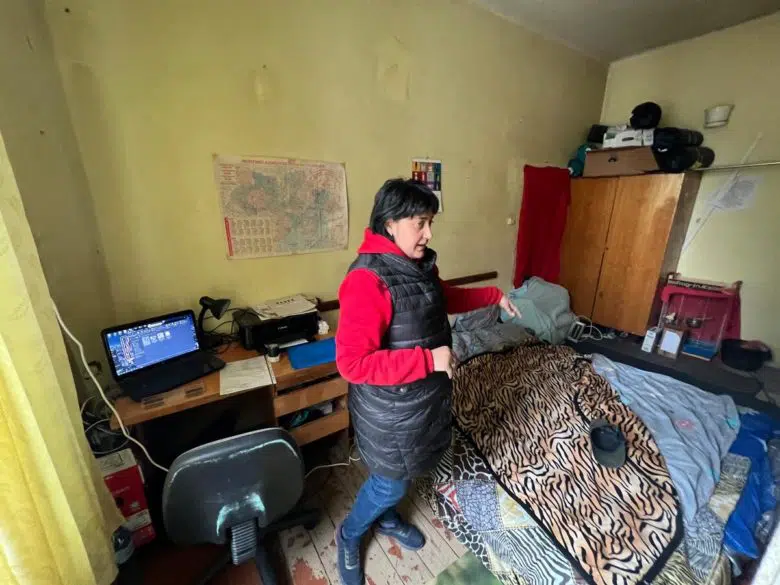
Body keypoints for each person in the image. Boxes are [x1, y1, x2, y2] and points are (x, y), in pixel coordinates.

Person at [335, 178, 519, 584]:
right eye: (420, 222)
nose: (429, 233)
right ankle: (349, 535)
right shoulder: (368, 280)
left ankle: (384, 522)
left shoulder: (413, 265)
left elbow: (439, 298)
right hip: (391, 412)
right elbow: (352, 364)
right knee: (390, 485)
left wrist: (492, 295)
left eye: (430, 222)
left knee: (397, 477)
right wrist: (428, 359)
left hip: (418, 402)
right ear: (391, 223)